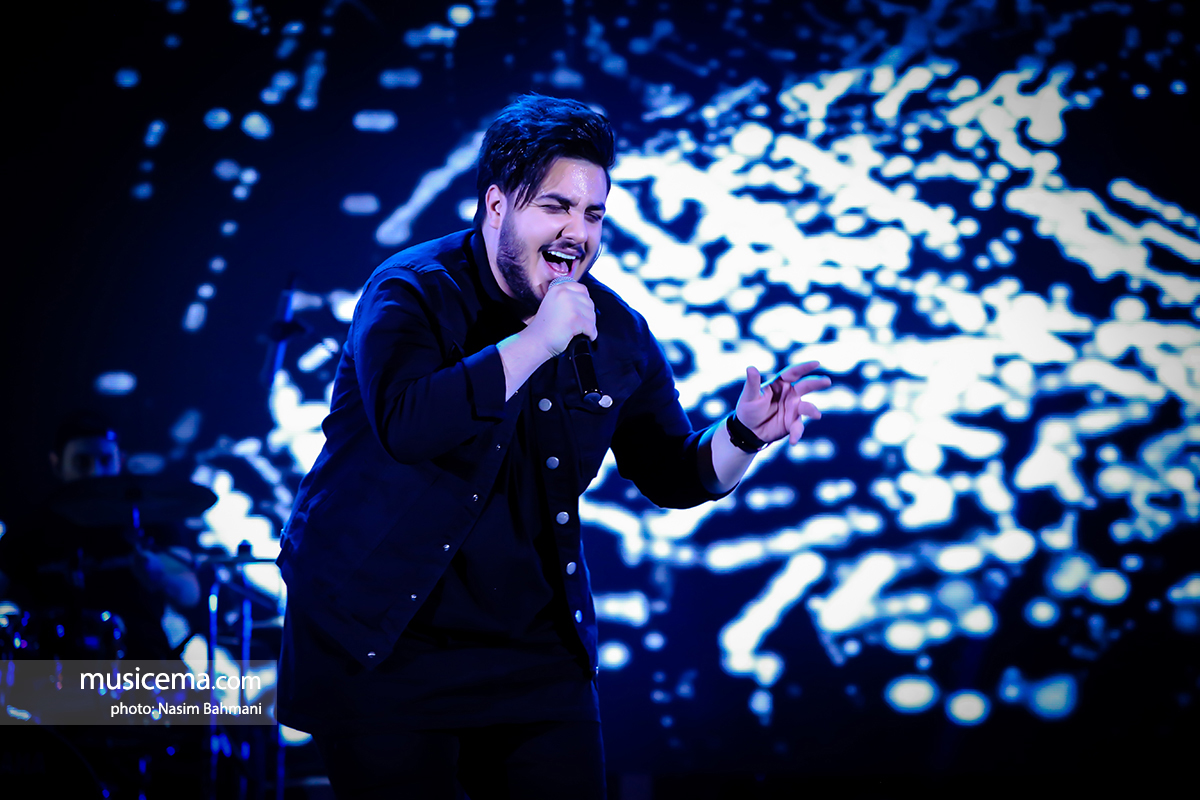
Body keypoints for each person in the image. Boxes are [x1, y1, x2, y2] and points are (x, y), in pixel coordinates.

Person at [275, 93, 831, 798]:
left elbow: (670, 471)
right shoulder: (411, 292)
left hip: (532, 652)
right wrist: (537, 340)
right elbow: (407, 425)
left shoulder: (615, 328)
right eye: (556, 208)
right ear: (496, 205)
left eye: (593, 214)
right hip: (385, 639)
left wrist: (745, 433)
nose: (578, 232)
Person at [0, 412, 201, 659]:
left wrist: (159, 573)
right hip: (52, 668)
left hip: (142, 663)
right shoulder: (30, 529)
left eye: (106, 460)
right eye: (82, 462)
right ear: (56, 463)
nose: (95, 472)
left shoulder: (149, 519)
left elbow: (190, 593)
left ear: (121, 460)